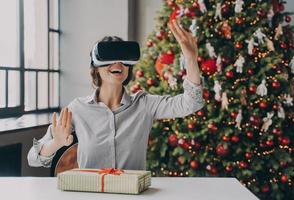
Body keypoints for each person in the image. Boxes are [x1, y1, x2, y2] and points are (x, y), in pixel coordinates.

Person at [27, 19, 205, 170]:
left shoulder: (144, 104)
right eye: (110, 57)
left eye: (123, 58)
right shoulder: (77, 109)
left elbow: (192, 102)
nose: (118, 63)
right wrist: (56, 143)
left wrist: (190, 58)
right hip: (92, 195)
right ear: (95, 68)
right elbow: (33, 158)